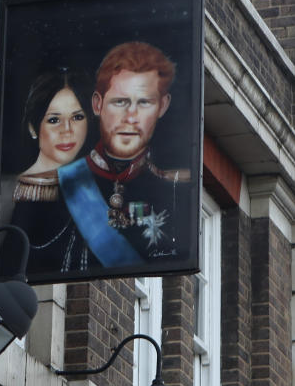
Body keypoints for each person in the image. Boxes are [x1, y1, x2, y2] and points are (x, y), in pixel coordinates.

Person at [53, 41, 191, 270]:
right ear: (97, 104)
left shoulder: (177, 193)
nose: (131, 116)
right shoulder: (58, 186)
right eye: (120, 102)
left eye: (144, 102)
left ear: (163, 106)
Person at [0, 70, 95, 274]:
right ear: (33, 127)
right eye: (53, 120)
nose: (67, 129)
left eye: (77, 117)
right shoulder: (7, 191)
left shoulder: (91, 195)